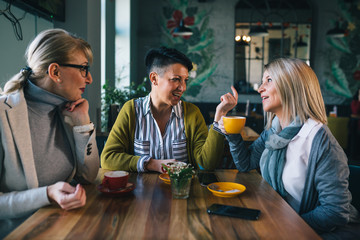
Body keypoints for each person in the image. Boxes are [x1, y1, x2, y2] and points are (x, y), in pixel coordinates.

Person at [218, 58, 360, 238]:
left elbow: (334, 212)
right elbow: (246, 164)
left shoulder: (319, 140)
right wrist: (231, 132)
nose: (260, 88)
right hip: (282, 221)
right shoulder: (274, 131)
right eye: (262, 81)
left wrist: (280, 227)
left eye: (269, 80)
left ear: (291, 85)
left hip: (324, 232)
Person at [0, 29, 99, 237]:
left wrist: (82, 123)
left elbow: (89, 176)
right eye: (83, 69)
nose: (89, 78)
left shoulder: (68, 110)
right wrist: (46, 194)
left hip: (66, 226)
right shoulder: (3, 115)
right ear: (55, 72)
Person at [101, 46, 236, 173]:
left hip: (181, 191)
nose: (183, 87)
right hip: (140, 195)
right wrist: (152, 164)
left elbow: (206, 164)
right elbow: (108, 158)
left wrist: (220, 115)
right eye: (176, 79)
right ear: (154, 79)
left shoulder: (192, 113)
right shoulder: (131, 111)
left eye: (185, 80)